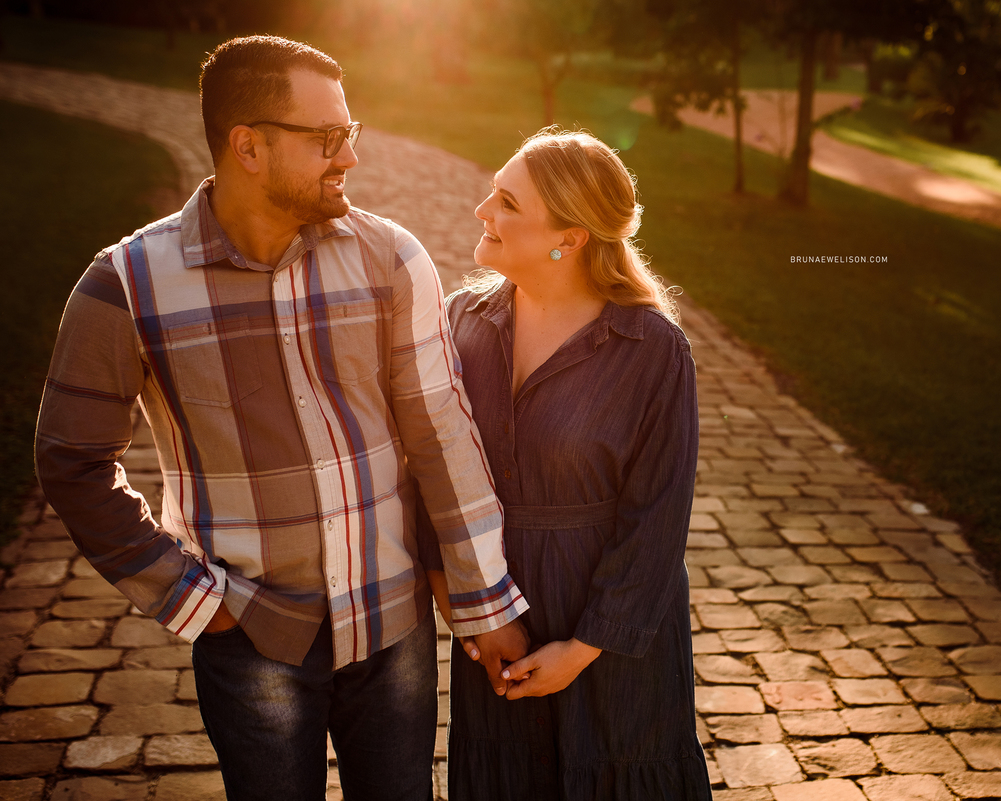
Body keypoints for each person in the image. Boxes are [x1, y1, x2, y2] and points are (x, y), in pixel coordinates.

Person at [34, 35, 529, 801]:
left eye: (350, 134)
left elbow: (442, 433)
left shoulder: (390, 258)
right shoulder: (125, 285)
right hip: (250, 637)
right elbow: (72, 460)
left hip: (393, 625)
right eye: (327, 139)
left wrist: (483, 601)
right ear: (249, 147)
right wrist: (195, 598)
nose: (350, 159)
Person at [420, 128, 711, 800]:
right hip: (496, 626)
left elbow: (657, 522)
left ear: (570, 236)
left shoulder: (651, 350)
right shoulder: (461, 322)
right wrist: (469, 615)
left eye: (507, 202)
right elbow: (431, 471)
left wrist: (582, 649)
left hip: (615, 638)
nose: (482, 211)